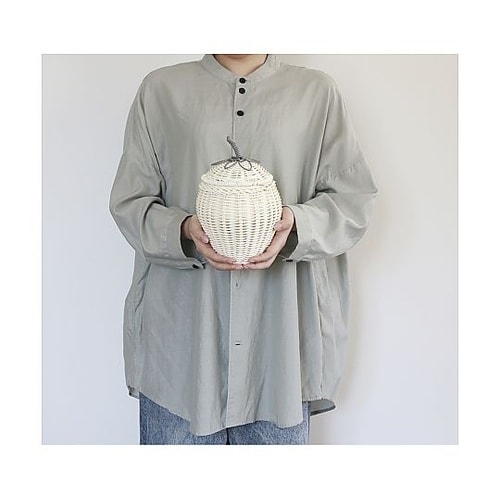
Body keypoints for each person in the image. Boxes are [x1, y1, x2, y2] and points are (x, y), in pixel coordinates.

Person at [109, 54, 377, 445]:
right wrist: (183, 230)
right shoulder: (161, 90)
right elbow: (130, 202)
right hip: (181, 355)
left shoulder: (317, 93)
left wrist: (295, 224)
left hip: (279, 356)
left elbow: (353, 201)